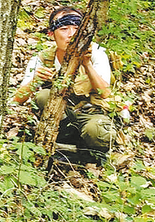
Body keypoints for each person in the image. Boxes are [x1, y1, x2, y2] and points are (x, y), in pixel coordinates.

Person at [14, 6, 117, 155]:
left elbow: (105, 92)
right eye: (64, 29)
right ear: (51, 34)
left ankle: (90, 151)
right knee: (43, 96)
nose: (72, 34)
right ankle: (63, 138)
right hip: (61, 114)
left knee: (97, 132)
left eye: (77, 29)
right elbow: (17, 99)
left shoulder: (96, 53)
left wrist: (87, 64)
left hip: (92, 113)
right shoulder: (42, 58)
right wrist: (35, 80)